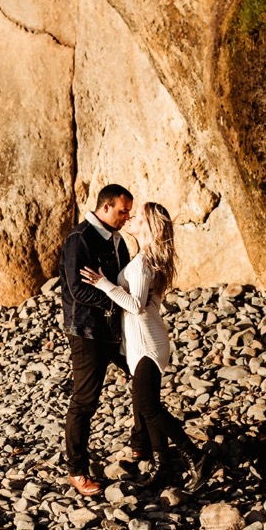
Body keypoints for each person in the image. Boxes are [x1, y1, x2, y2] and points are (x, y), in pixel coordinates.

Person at [80, 201, 212, 493]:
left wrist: (103, 284)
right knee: (144, 404)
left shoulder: (142, 264)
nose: (130, 219)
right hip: (143, 343)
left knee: (150, 408)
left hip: (148, 344)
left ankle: (196, 456)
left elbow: (136, 306)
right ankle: (163, 466)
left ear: (148, 227)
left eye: (137, 216)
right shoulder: (144, 259)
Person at [59, 184, 133, 496]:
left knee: (141, 379)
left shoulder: (117, 238)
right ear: (105, 208)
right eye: (122, 211)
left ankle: (143, 448)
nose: (126, 217)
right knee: (85, 401)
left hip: (115, 329)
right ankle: (77, 470)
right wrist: (119, 301)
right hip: (87, 332)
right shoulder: (80, 239)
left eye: (128, 212)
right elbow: (78, 289)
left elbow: (124, 278)